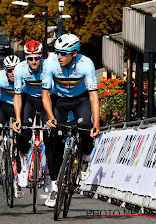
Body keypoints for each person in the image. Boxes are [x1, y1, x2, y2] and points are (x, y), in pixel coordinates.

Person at [42, 33, 101, 207]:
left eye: (63, 53)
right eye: (57, 52)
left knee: (85, 127)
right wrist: (51, 117)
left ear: (74, 53)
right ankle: (54, 186)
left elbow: (94, 97)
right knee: (53, 141)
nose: (58, 56)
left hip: (80, 99)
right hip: (58, 101)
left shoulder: (86, 64)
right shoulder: (50, 63)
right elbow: (45, 95)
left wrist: (96, 125)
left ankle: (85, 157)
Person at [12, 40, 49, 191]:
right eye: (30, 58)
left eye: (37, 58)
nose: (34, 61)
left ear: (41, 56)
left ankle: (48, 173)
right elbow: (17, 96)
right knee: (24, 131)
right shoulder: (19, 69)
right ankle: (23, 168)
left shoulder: (49, 66)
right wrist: (18, 119)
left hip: (47, 99)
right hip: (29, 100)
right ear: (25, 58)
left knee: (50, 135)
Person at [0, 55, 20, 180]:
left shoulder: (24, 76)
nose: (12, 73)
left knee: (23, 135)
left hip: (20, 107)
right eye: (9, 70)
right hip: (4, 106)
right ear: (5, 70)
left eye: (15, 70)